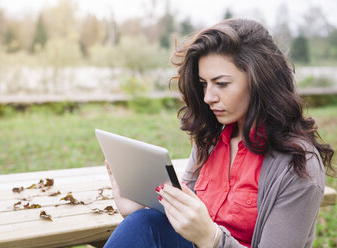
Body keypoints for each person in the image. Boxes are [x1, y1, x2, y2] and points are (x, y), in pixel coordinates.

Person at [103, 18, 335, 248]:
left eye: (221, 83)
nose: (208, 97)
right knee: (144, 222)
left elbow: (204, 234)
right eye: (204, 83)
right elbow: (184, 223)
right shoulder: (211, 139)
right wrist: (136, 211)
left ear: (260, 81)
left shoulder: (298, 165)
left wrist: (211, 239)